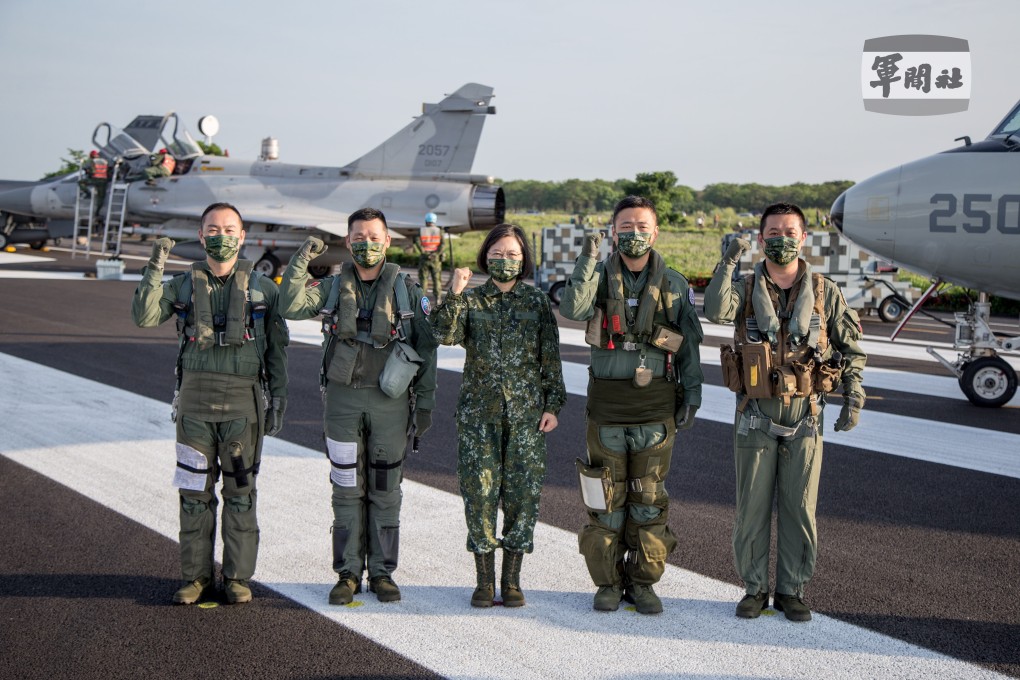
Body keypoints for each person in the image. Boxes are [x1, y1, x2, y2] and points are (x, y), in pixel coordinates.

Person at [704, 202, 867, 622]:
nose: (781, 239)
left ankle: (792, 589)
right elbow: (716, 310)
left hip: (806, 417)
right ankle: (755, 589)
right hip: (754, 416)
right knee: (751, 509)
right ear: (761, 240)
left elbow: (851, 349)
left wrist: (854, 395)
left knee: (799, 509)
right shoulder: (742, 287)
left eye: (789, 232)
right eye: (772, 233)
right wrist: (728, 259)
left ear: (803, 238)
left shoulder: (826, 292)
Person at [131, 202, 289, 605]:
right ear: (201, 236)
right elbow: (145, 317)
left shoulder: (263, 289)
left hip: (243, 407)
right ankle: (196, 578)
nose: (222, 236)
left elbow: (276, 351)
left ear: (242, 236)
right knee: (194, 493)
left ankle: (237, 578)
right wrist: (155, 264)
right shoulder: (182, 285)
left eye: (229, 229)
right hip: (195, 407)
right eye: (213, 230)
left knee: (240, 492)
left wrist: (279, 400)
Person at [278, 207, 437, 605]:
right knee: (345, 489)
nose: (367, 244)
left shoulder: (407, 291)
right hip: (343, 401)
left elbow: (426, 347)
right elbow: (290, 304)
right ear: (348, 242)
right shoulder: (333, 287)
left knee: (385, 490)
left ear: (388, 241)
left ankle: (382, 573)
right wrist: (302, 259)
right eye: (359, 238)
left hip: (391, 402)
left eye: (374, 237)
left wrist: (426, 406)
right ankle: (347, 573)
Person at [560, 195, 704, 615]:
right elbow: (574, 307)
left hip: (655, 411)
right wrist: (588, 258)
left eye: (643, 227)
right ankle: (607, 583)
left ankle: (643, 583)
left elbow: (690, 347)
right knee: (604, 502)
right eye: (626, 227)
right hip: (607, 411)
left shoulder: (674, 285)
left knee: (648, 501)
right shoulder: (598, 277)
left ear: (655, 232)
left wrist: (692, 395)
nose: (634, 235)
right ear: (612, 232)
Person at [431, 223, 566, 608]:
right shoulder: (473, 300)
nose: (504, 260)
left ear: (524, 259)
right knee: (480, 495)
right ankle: (483, 581)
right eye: (497, 253)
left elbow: (549, 359)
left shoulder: (537, 302)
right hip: (479, 416)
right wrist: (454, 292)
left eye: (512, 254)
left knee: (523, 496)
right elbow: (444, 334)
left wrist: (553, 405)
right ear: (485, 256)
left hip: (526, 416)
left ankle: (512, 581)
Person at [414, 212, 444, 299]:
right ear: (435, 221)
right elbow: (442, 245)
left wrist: (425, 253)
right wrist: (436, 254)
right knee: (437, 279)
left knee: (423, 279)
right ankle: (438, 299)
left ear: (426, 220)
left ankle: (422, 299)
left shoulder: (421, 230)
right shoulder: (439, 231)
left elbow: (417, 242)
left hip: (424, 258)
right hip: (436, 259)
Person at [79, 150, 109, 219]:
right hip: (103, 180)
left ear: (91, 156)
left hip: (95, 180)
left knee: (80, 182)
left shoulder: (92, 161)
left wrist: (87, 171)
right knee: (101, 197)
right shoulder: (105, 161)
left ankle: (88, 193)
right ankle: (97, 212)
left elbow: (92, 172)